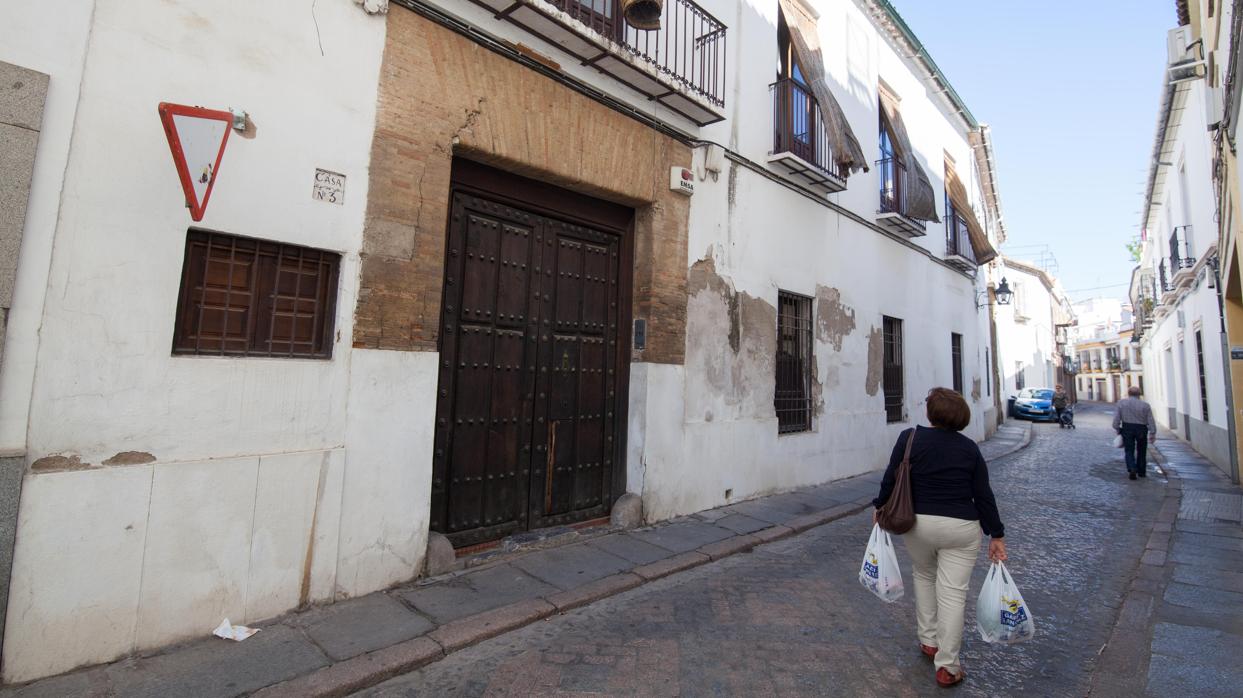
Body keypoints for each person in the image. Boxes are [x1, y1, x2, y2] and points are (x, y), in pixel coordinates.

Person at [872, 388, 1007, 688]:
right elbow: (983, 495)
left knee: (923, 576)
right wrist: (996, 533)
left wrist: (879, 507)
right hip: (961, 528)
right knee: (953, 593)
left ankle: (929, 641)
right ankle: (947, 666)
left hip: (918, 523)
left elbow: (891, 478)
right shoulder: (969, 448)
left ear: (930, 413)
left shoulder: (909, 438)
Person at [1113, 385, 1157, 480]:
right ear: (1139, 394)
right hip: (1141, 428)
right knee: (1142, 450)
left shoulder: (1121, 403)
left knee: (1129, 450)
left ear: (1128, 394)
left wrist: (1117, 428)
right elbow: (1150, 420)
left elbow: (1116, 418)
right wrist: (1153, 432)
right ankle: (1141, 471)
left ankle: (1132, 468)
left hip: (1127, 428)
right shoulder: (1145, 405)